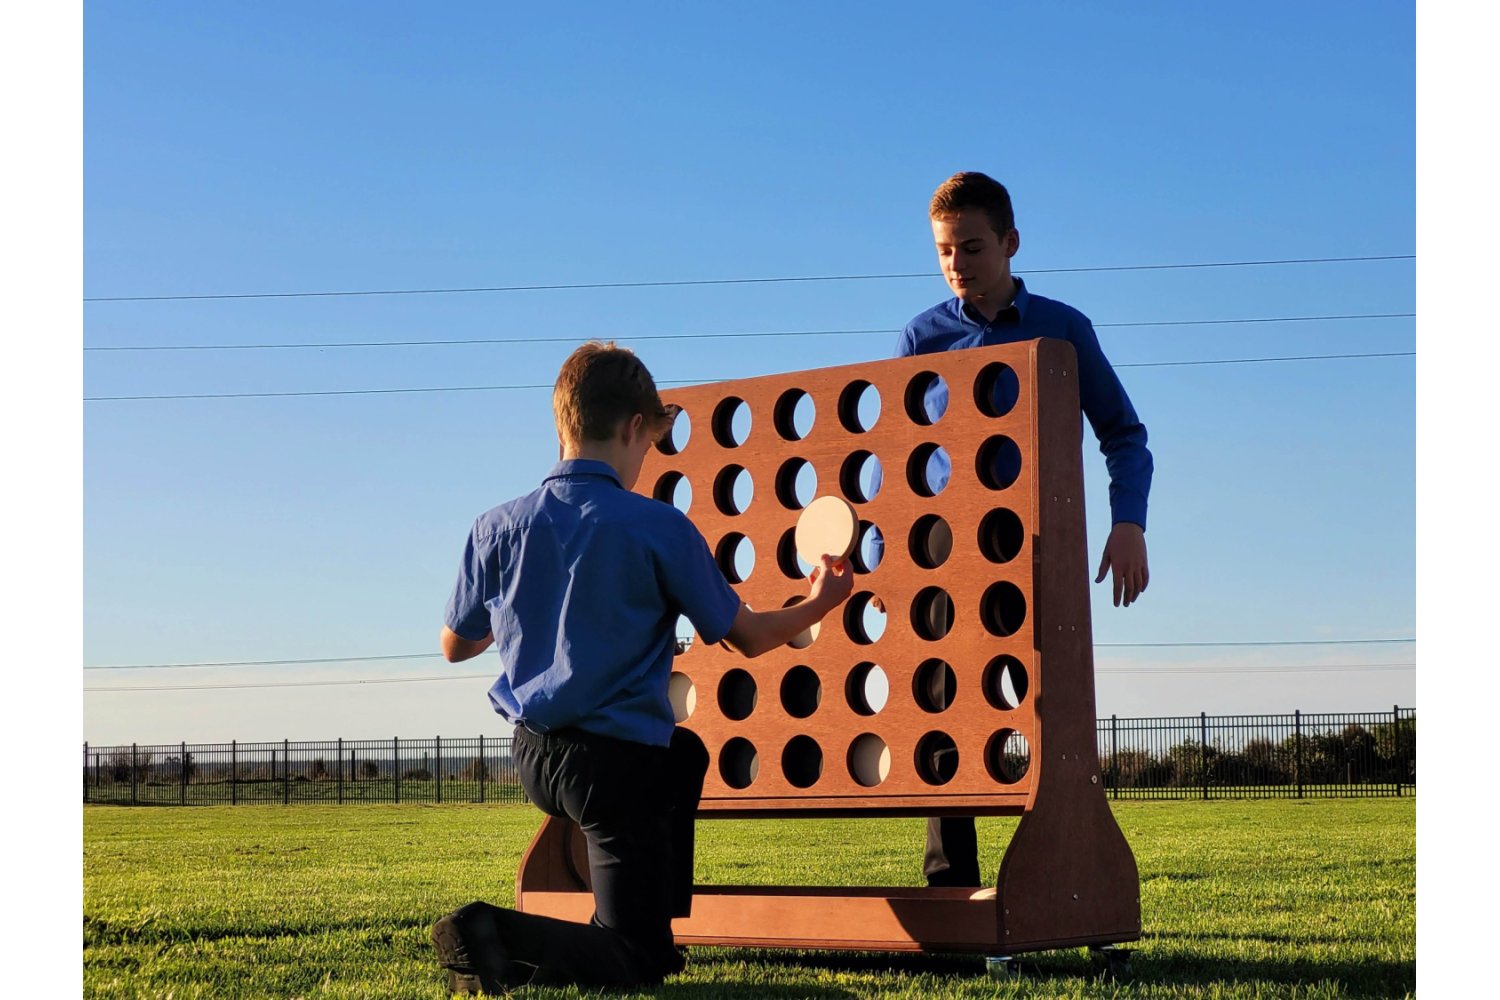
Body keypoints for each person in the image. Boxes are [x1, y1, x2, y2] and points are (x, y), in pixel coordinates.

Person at [431, 340, 854, 994]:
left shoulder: (497, 525)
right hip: (613, 769)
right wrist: (818, 601)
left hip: (537, 754)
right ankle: (491, 931)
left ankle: (611, 934)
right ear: (634, 427)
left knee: (682, 756)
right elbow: (744, 637)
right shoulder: (657, 526)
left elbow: (457, 644)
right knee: (634, 965)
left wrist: (529, 609)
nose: (643, 461)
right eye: (648, 444)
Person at [895, 172, 1154, 888]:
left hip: (1038, 542)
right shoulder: (923, 338)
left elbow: (1124, 434)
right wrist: (888, 562)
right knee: (942, 704)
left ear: (1010, 243)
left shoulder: (1064, 329)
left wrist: (1127, 523)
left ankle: (1066, 878)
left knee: (1047, 708)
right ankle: (951, 891)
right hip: (945, 552)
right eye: (946, 250)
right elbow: (898, 460)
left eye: (972, 247)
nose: (958, 263)